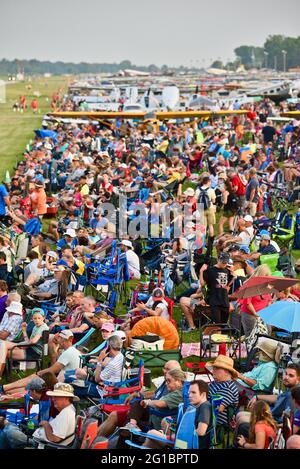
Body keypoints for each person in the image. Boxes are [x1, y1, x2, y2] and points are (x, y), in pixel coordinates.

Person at [96, 361, 182, 438]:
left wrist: (147, 402)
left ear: (177, 375)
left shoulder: (177, 391)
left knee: (129, 415)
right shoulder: (167, 381)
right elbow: (155, 393)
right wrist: (138, 394)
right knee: (117, 416)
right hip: (148, 413)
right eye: (164, 368)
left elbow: (161, 403)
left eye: (168, 369)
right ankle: (93, 441)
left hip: (154, 419)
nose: (164, 371)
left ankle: (94, 442)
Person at [0, 330, 81, 395]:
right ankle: (4, 390)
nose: (59, 340)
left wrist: (38, 373)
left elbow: (52, 370)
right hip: (66, 381)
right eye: (59, 338)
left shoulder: (68, 353)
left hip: (63, 384)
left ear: (69, 340)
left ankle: (4, 388)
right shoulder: (72, 351)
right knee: (31, 384)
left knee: (33, 379)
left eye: (62, 339)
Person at [0, 307, 49, 377]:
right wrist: (24, 330)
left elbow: (33, 341)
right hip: (28, 347)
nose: (37, 320)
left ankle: (1, 373)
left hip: (32, 352)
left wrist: (26, 344)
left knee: (3, 350)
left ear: (43, 318)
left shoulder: (43, 327)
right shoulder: (36, 327)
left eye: (39, 318)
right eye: (35, 318)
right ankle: (3, 373)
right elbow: (28, 341)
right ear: (32, 319)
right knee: (3, 345)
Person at [32, 382, 79, 447]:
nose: (53, 399)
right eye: (53, 396)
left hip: (46, 445)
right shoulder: (68, 409)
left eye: (56, 397)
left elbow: (55, 439)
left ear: (66, 398)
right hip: (41, 441)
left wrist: (46, 424)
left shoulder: (67, 413)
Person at [206, 355, 239, 428]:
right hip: (206, 417)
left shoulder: (229, 387)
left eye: (217, 368)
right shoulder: (215, 383)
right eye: (213, 368)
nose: (213, 370)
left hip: (215, 423)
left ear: (226, 371)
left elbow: (218, 408)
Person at [200, 252, 232, 324]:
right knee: (217, 324)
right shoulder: (211, 270)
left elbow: (227, 285)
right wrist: (201, 271)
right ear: (218, 260)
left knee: (223, 324)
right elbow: (202, 284)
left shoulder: (227, 270)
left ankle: (214, 334)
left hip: (225, 301)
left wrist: (233, 276)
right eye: (222, 262)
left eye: (225, 263)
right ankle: (212, 333)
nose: (224, 264)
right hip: (214, 300)